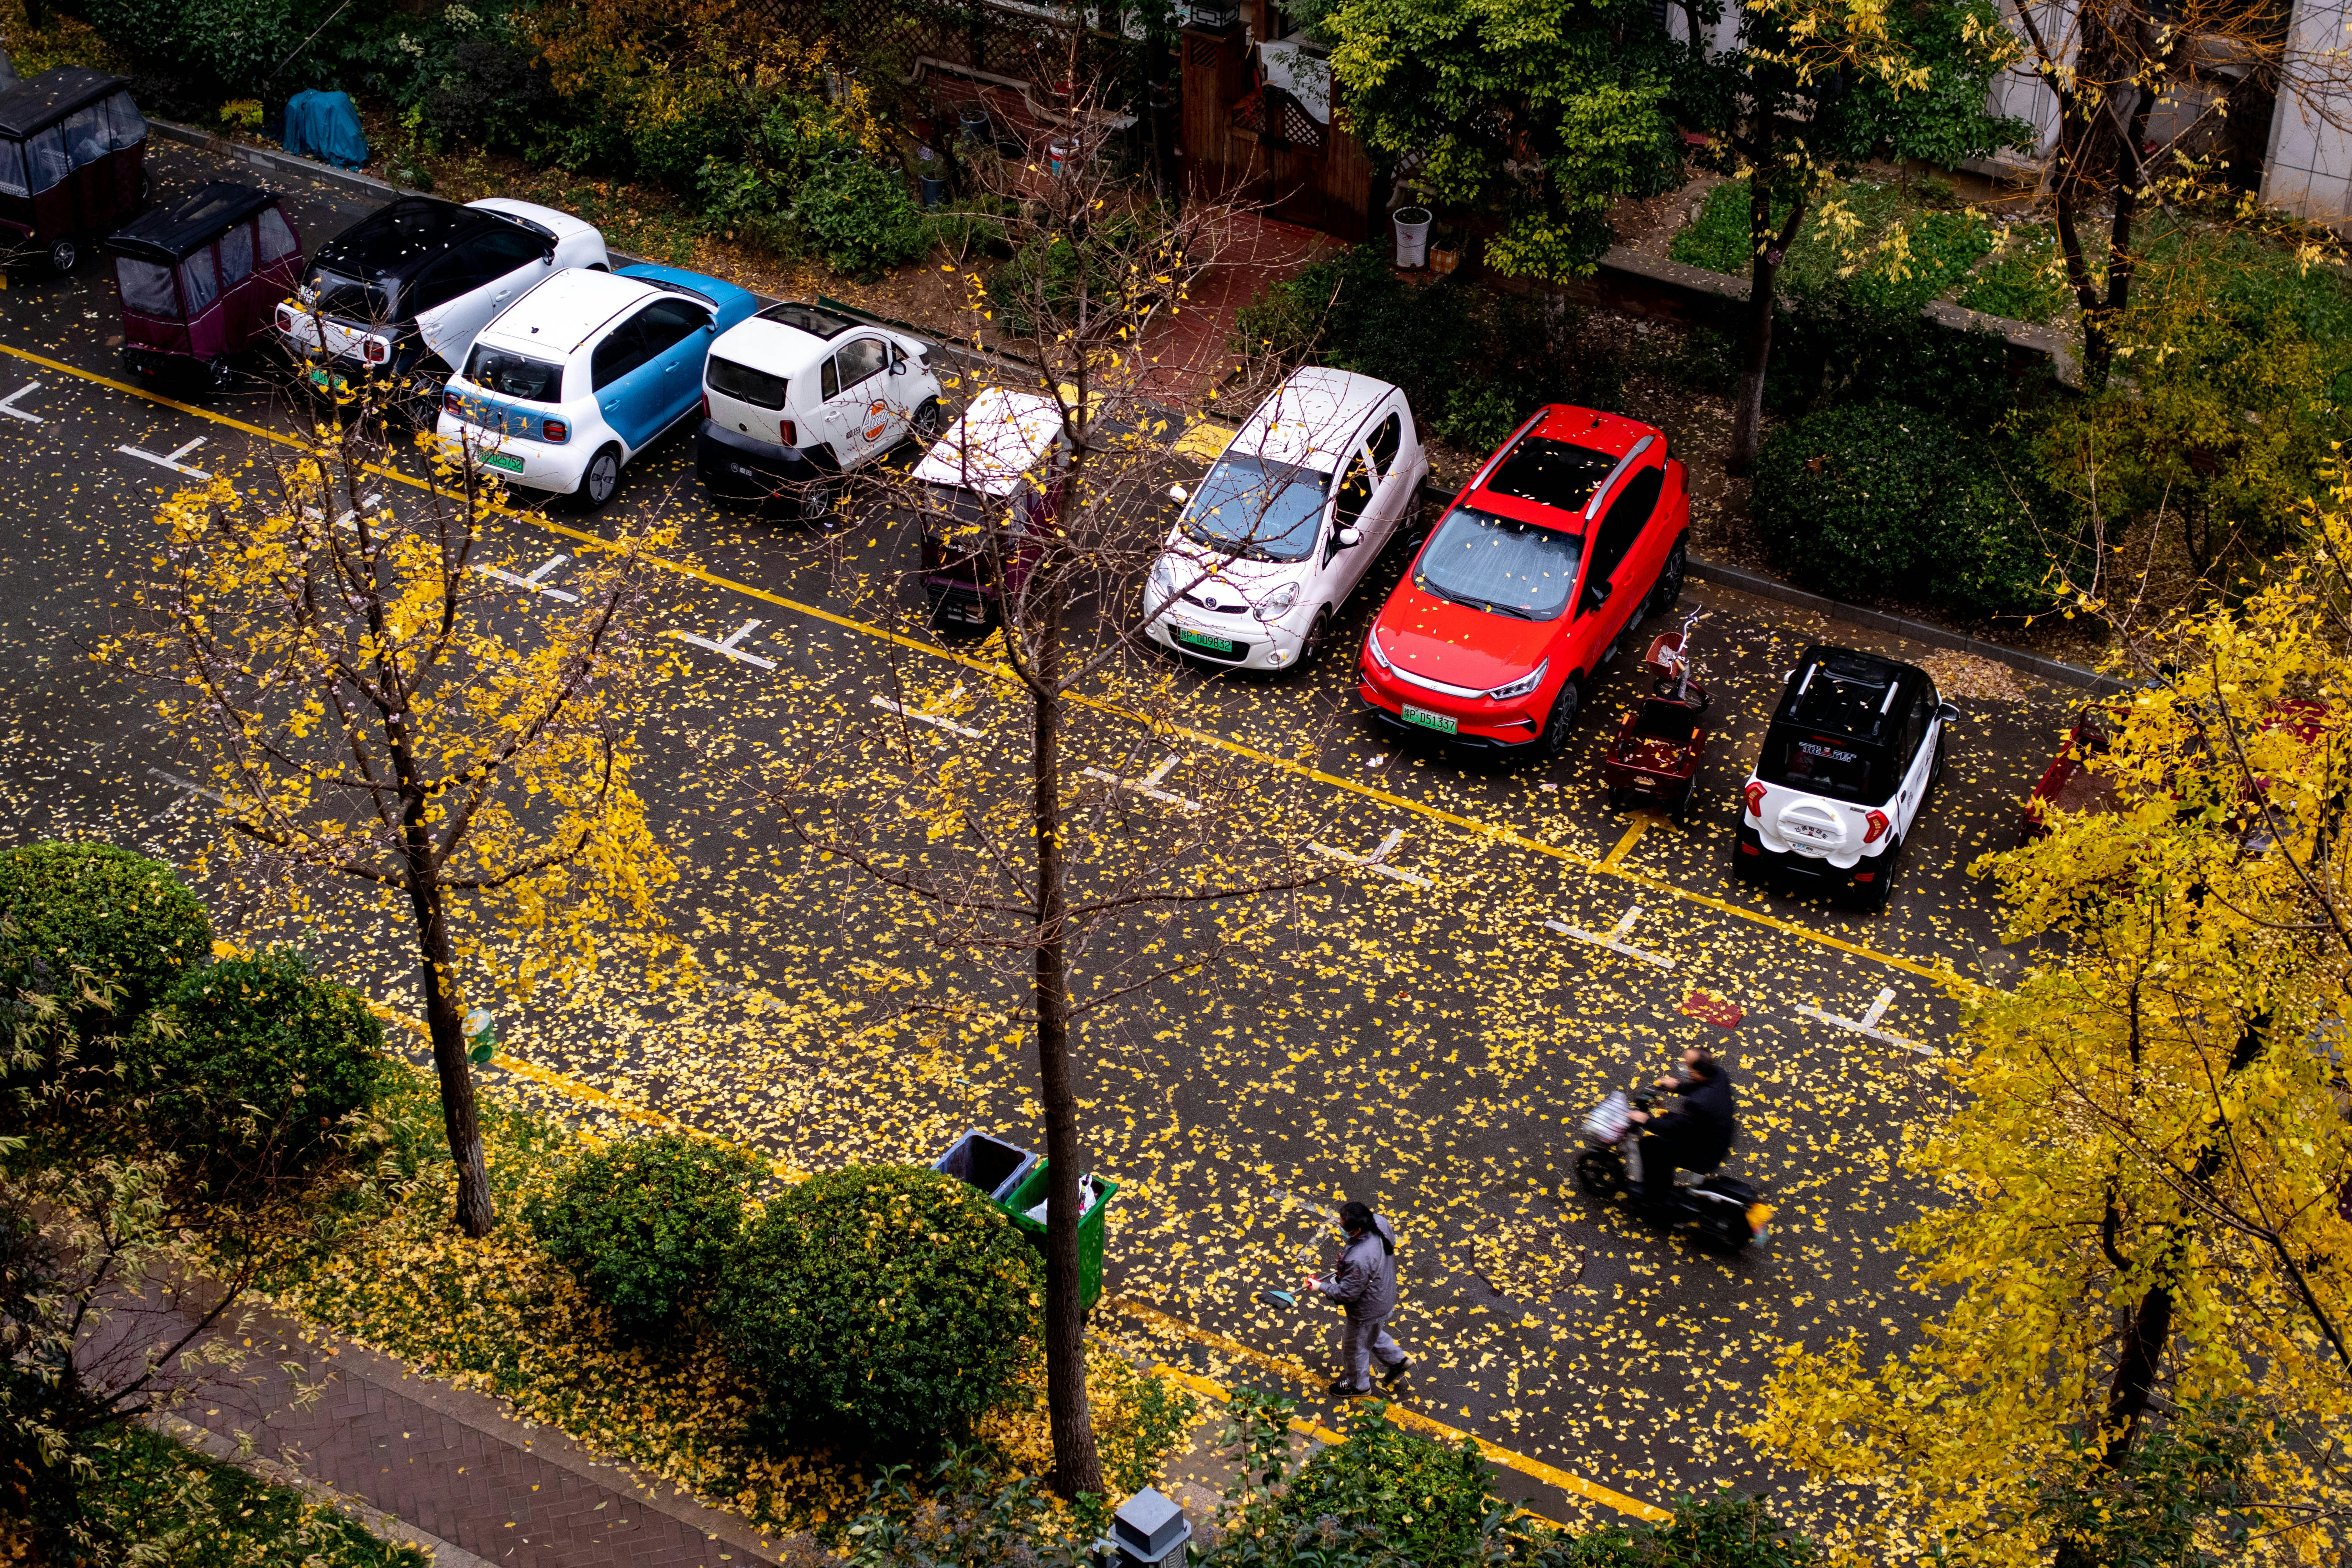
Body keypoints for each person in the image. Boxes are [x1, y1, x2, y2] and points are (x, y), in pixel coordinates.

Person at [1302, 1201, 1409, 1397]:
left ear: (1357, 1230)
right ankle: (1397, 1360)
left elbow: (1347, 1294)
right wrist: (1345, 1276)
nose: (1341, 1228)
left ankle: (1359, 1385)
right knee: (1370, 1333)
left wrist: (1321, 1287)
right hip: (1384, 1294)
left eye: (1343, 1226)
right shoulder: (1379, 1222)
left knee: (1354, 1347)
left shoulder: (1359, 1258)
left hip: (1368, 1308)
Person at [1625, 1047, 1736, 1218]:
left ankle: (1657, 1196)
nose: (1684, 1068)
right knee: (1666, 1121)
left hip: (1704, 1154)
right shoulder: (1718, 1074)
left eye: (1687, 1066)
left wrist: (1645, 1120)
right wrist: (1677, 1087)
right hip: (1715, 1135)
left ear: (1698, 1071)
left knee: (1651, 1146)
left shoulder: (1700, 1104)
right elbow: (1701, 1087)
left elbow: (1675, 1131)